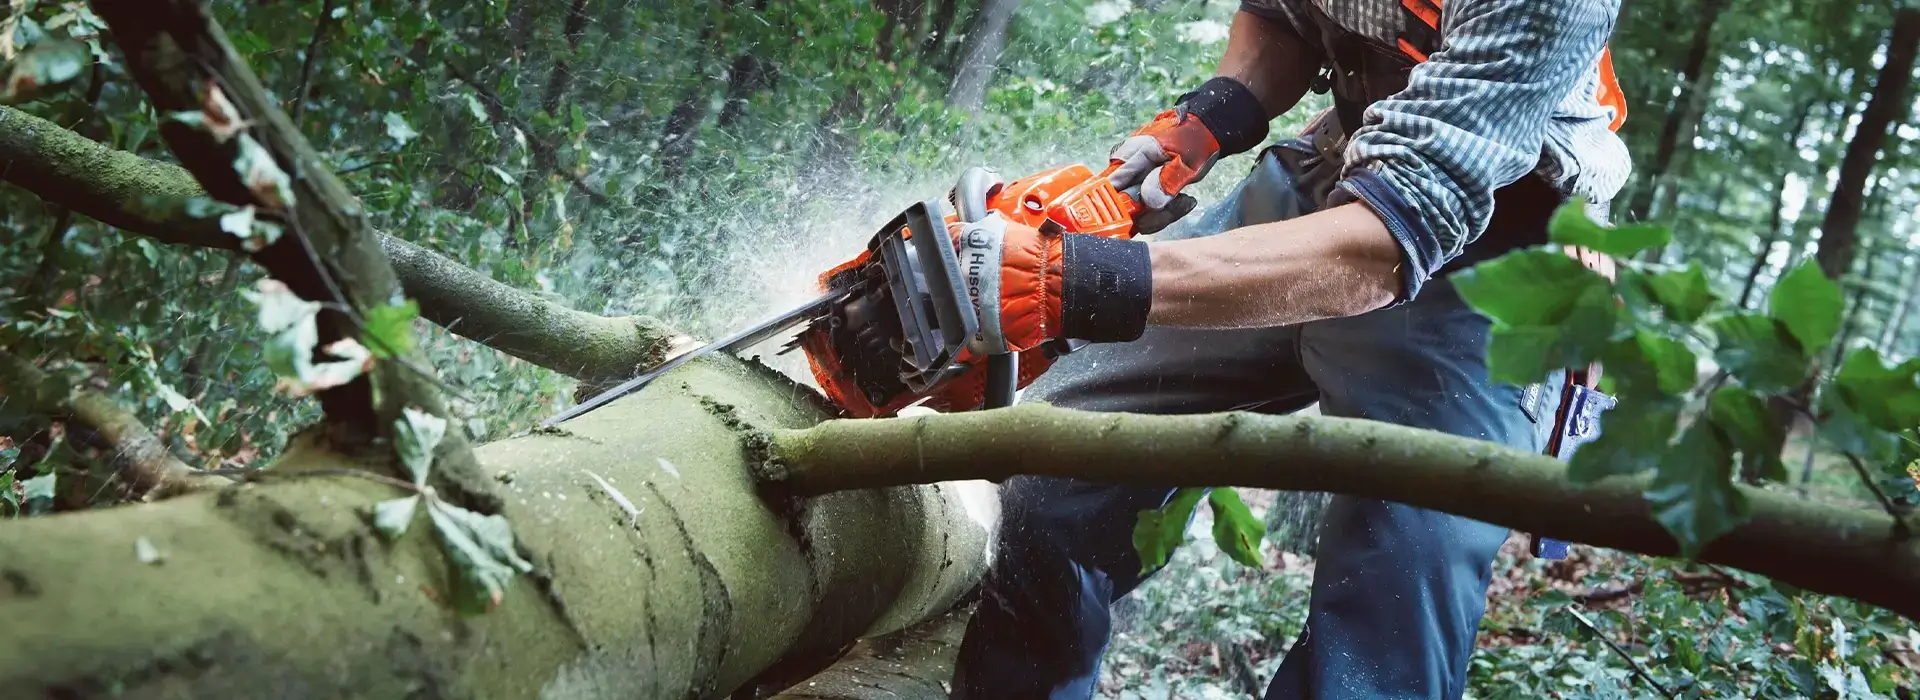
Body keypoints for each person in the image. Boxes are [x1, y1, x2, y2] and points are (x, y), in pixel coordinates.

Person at [933, 0, 1633, 698]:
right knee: (1060, 450)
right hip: (1337, 163)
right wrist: (1206, 119)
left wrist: (1079, 280)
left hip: (1488, 239)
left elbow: (1388, 242)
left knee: (1401, 586)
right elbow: (1283, 16)